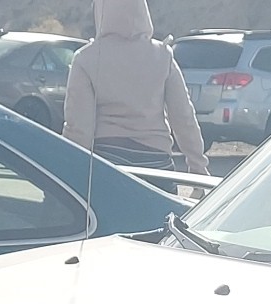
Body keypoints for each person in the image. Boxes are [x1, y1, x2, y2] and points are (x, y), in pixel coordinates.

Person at [62, 0, 210, 174]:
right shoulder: (163, 55)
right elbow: (183, 116)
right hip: (157, 161)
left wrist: (71, 169)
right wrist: (197, 165)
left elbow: (79, 128)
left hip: (107, 162)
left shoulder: (85, 58)